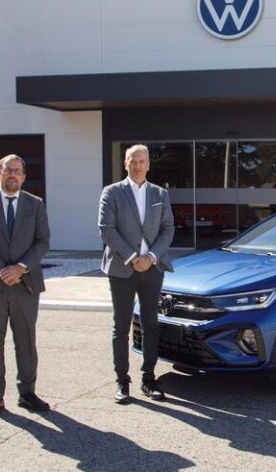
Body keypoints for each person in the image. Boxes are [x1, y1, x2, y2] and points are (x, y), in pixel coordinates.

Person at [0, 154, 51, 421]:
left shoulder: (35, 204)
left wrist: (20, 268)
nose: (13, 174)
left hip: (25, 284)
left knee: (26, 340)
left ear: (24, 177)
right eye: (8, 170)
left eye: (18, 171)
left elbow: (42, 242)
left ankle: (27, 393)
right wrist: (2, 270)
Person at [98, 144, 175, 403]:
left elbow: (168, 229)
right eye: (133, 161)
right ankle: (122, 382)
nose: (138, 165)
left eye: (142, 161)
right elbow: (106, 229)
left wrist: (151, 257)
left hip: (152, 269)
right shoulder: (111, 193)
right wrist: (132, 258)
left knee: (151, 325)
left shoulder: (159, 194)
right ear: (126, 164)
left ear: (148, 165)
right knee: (121, 326)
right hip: (122, 269)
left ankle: (149, 379)